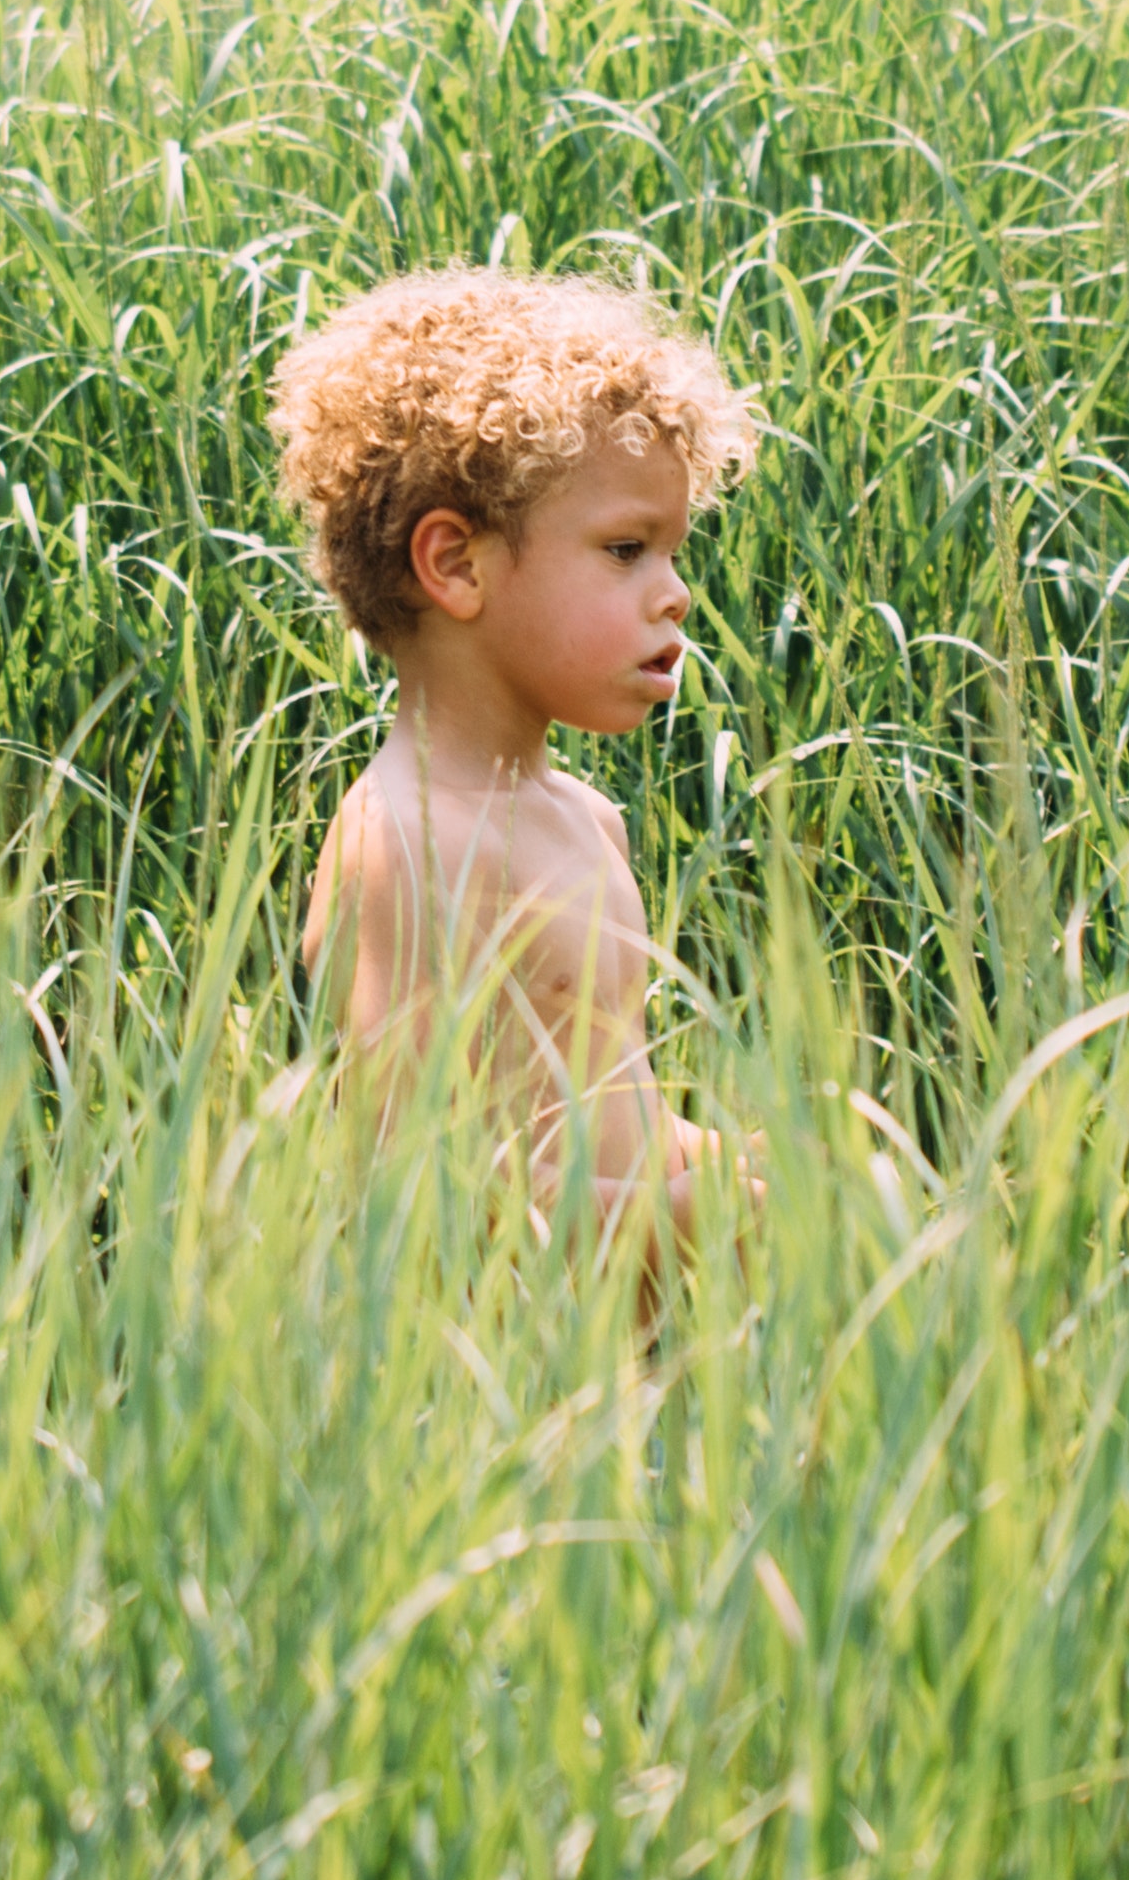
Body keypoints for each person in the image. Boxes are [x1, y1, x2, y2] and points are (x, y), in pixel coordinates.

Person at [266, 264, 765, 1270]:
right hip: (500, 1394)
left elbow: (615, 1115)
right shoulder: (404, 842)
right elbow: (414, 1180)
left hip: (632, 1373)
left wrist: (728, 1167)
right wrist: (682, 1217)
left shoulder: (586, 819)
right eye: (627, 549)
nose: (674, 595)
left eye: (672, 552)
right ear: (456, 566)